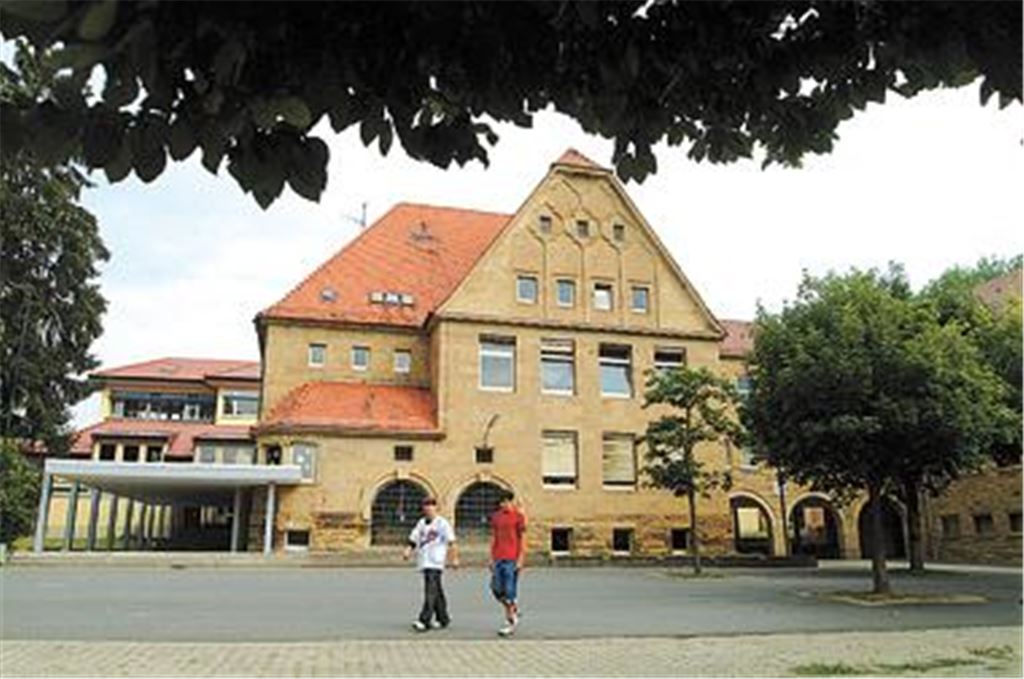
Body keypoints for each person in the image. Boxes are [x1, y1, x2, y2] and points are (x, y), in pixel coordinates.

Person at [403, 496, 459, 632]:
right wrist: (408, 550)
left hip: (436, 561)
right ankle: (443, 618)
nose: (428, 508)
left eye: (431, 506)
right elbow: (414, 538)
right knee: (436, 591)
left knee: (430, 591)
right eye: (426, 506)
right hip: (424, 561)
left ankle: (424, 620)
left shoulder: (442, 523)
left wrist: (454, 558)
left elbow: (452, 541)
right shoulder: (421, 523)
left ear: (436, 508)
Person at [489, 490, 526, 637]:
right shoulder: (496, 517)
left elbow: (522, 538)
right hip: (498, 557)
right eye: (501, 502)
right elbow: (494, 538)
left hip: (512, 558)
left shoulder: (518, 517)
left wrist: (521, 558)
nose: (503, 505)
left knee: (509, 590)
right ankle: (513, 608)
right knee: (496, 588)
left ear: (511, 501)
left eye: (506, 502)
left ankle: (510, 621)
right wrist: (491, 558)